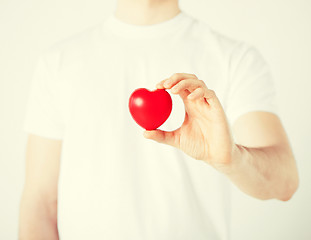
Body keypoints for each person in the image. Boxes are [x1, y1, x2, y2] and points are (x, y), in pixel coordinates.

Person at [19, 0, 299, 239]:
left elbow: (285, 182)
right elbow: (40, 203)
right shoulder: (58, 62)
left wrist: (232, 158)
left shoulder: (236, 59)